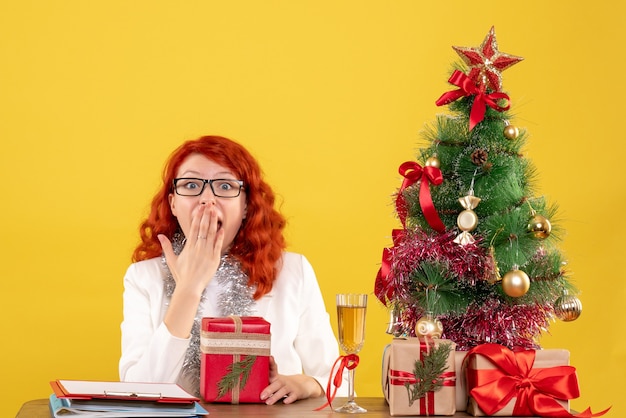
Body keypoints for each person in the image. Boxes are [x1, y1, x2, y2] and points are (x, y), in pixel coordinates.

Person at [119, 135, 347, 405]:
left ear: (246, 207)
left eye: (225, 186)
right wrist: (188, 290)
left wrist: (306, 383)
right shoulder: (143, 277)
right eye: (191, 185)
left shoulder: (293, 271)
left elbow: (337, 381)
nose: (207, 199)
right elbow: (140, 393)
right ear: (173, 204)